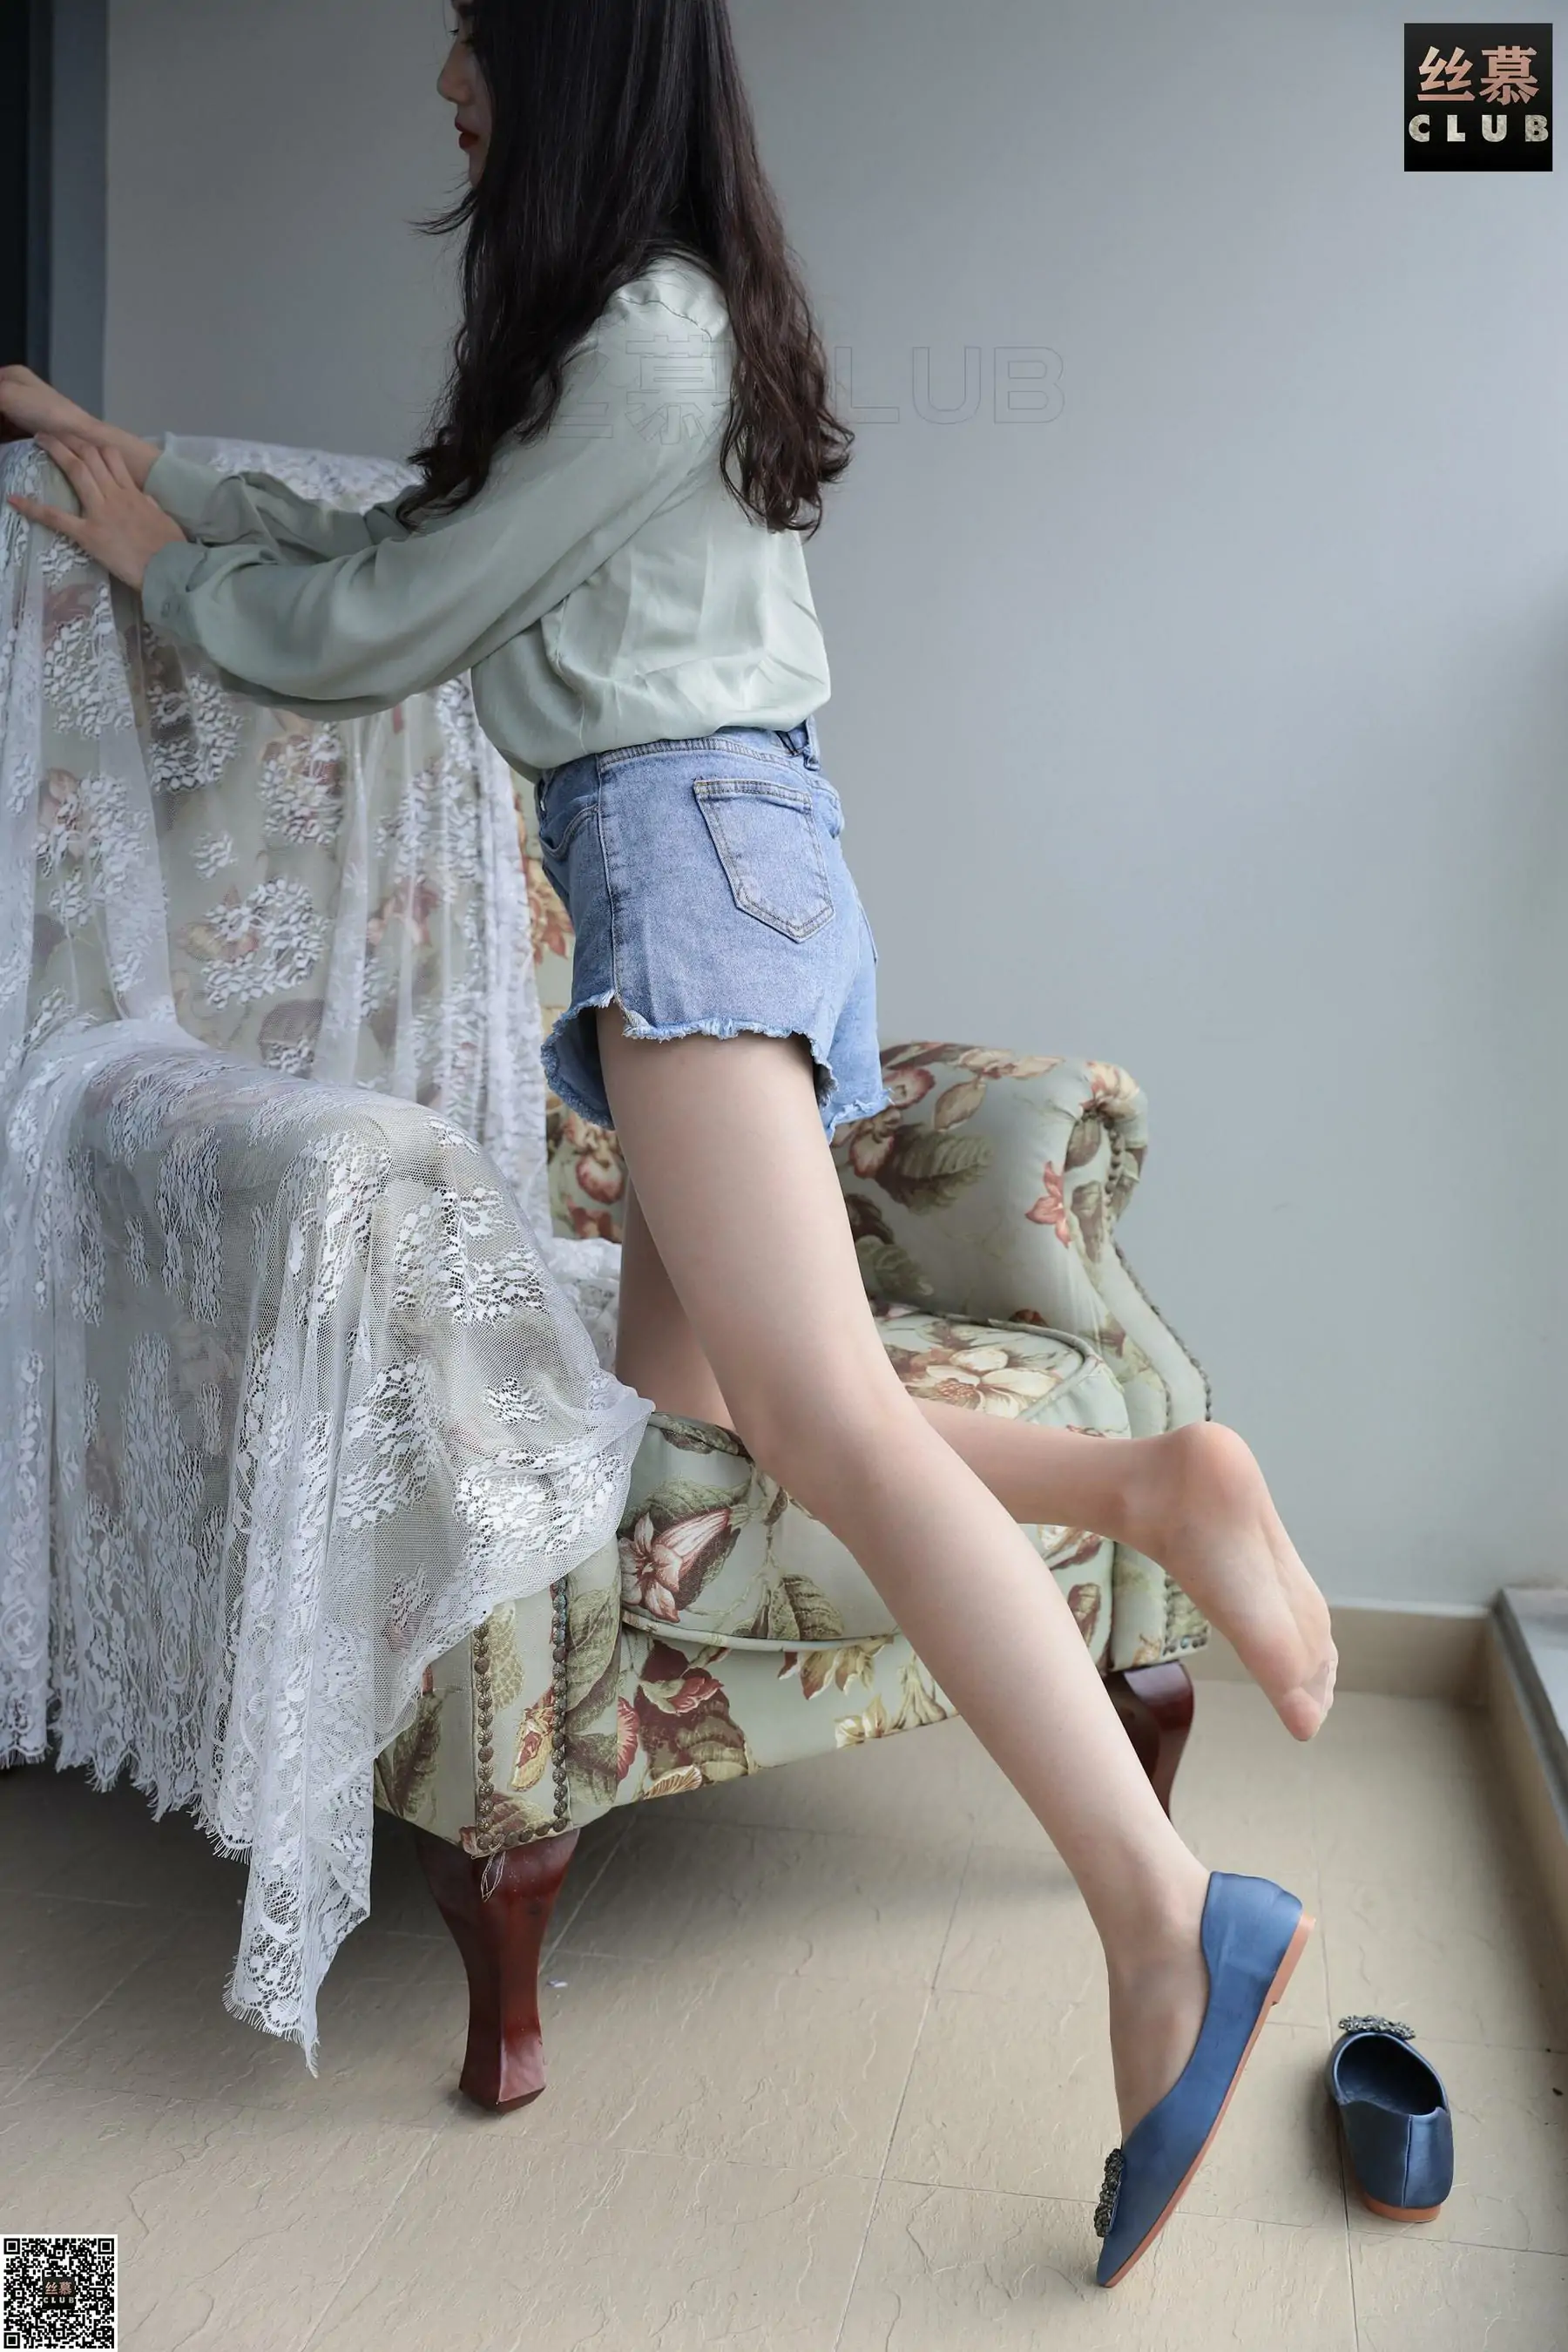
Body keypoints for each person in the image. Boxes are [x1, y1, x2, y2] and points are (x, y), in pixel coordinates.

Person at [0, 0, 1335, 2286]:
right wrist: (164, 479)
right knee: (686, 1414)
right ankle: (1147, 1485)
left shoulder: (651, 335)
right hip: (711, 858)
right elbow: (417, 527)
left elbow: (400, 616)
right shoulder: (628, 330)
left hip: (689, 860)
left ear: (570, 59)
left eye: (471, 36)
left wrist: (169, 580)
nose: (445, 77)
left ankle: (1163, 1916)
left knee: (819, 1418)